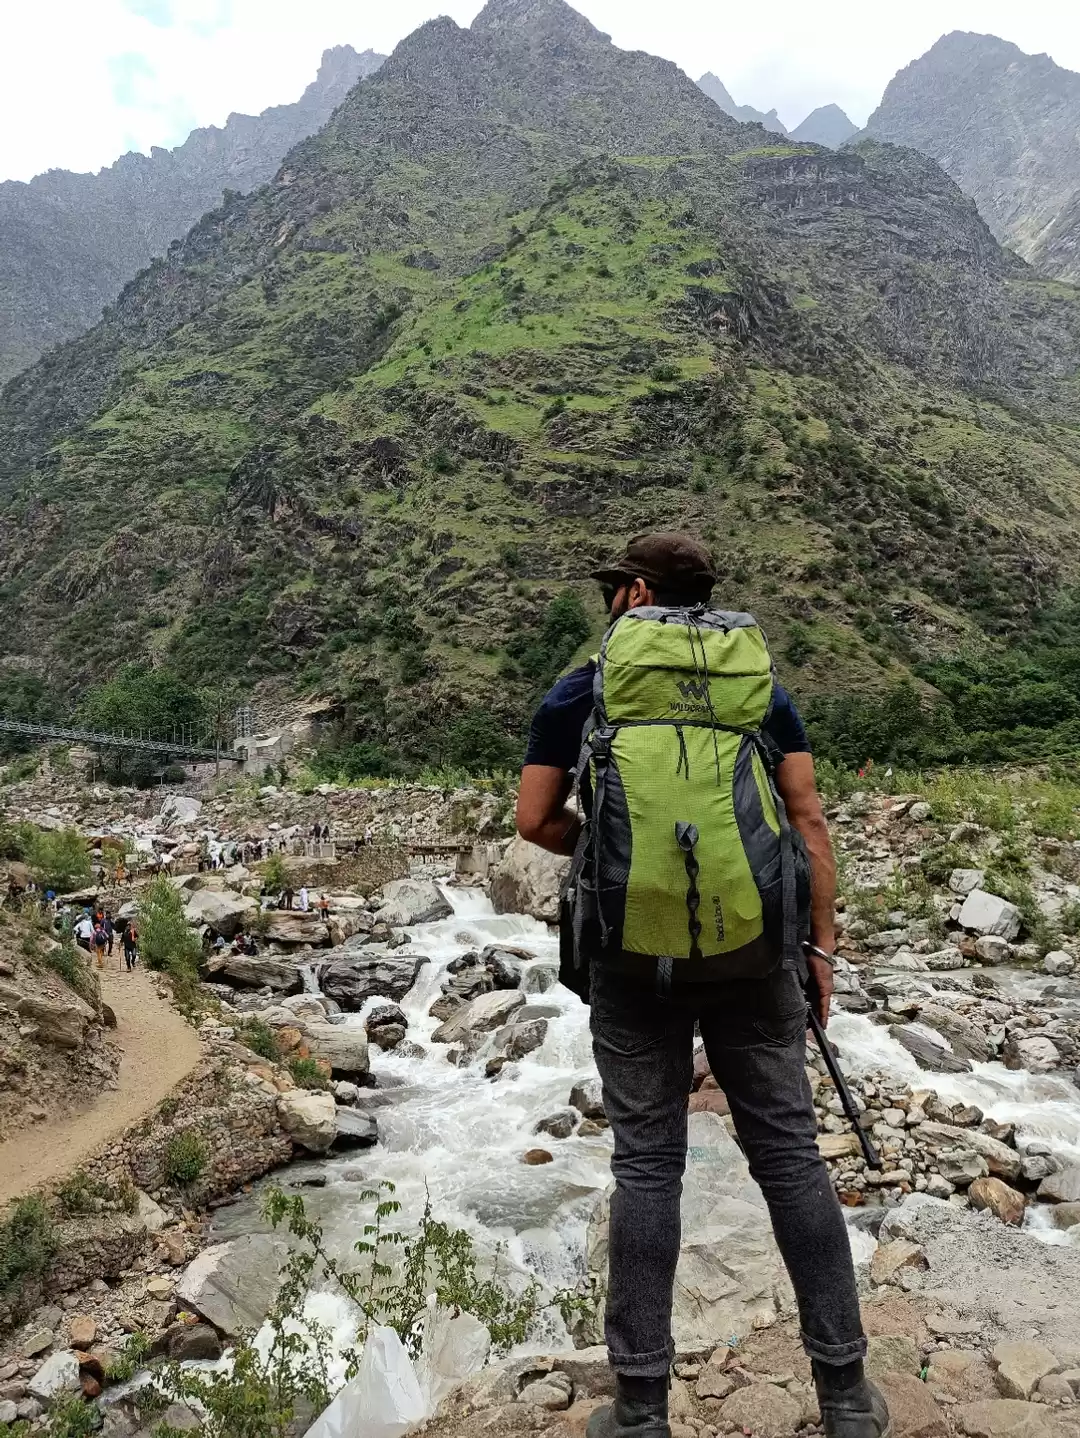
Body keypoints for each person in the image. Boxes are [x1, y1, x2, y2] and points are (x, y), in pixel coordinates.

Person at [515, 533, 886, 1438]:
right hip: (756, 955)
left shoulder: (582, 693)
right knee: (793, 1161)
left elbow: (533, 821)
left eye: (615, 588)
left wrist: (612, 862)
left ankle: (640, 1408)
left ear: (635, 594)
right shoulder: (761, 692)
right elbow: (806, 824)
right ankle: (844, 1397)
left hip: (631, 963)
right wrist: (821, 951)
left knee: (648, 1167)